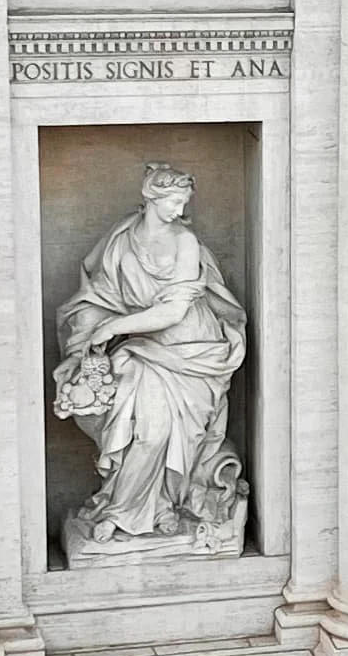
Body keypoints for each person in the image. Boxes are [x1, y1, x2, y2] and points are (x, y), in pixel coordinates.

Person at [51, 163, 247, 549]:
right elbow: (100, 294)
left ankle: (134, 511)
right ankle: (143, 508)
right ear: (151, 198)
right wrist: (96, 330)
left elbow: (174, 311)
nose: (179, 210)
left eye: (183, 202)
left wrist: (113, 329)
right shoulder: (122, 237)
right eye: (174, 201)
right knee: (138, 428)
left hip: (190, 351)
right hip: (141, 347)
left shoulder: (185, 242)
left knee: (158, 432)